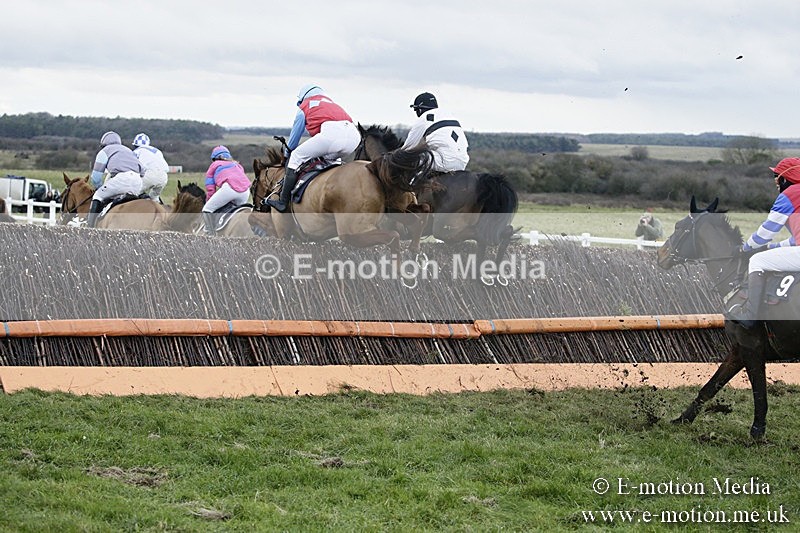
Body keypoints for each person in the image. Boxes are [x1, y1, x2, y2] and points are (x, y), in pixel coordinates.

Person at [727, 157, 800, 328]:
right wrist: (771, 247)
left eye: (776, 176)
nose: (775, 181)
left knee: (757, 261)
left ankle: (750, 316)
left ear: (784, 178)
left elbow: (765, 233)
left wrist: (746, 248)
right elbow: (794, 240)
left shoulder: (788, 195)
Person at [265, 84, 360, 212]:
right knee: (330, 161)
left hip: (333, 135)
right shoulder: (331, 103)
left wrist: (287, 154)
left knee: (296, 156)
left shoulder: (305, 106)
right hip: (354, 137)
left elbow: (294, 139)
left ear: (302, 98)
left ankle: (282, 202)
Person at [401, 92, 469, 173]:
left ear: (419, 109)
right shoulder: (449, 115)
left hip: (445, 162)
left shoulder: (423, 119)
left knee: (409, 159)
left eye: (415, 109)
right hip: (463, 162)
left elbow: (407, 148)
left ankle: (411, 184)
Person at [87, 131, 144, 228]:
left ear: (104, 144)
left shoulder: (104, 151)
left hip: (121, 179)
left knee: (98, 195)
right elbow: (142, 171)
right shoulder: (128, 150)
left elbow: (96, 178)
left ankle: (90, 228)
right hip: (137, 181)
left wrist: (99, 188)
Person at [202, 145, 252, 235]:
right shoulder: (237, 164)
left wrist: (209, 200)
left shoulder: (214, 165)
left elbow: (210, 188)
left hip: (229, 189)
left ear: (214, 158)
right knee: (239, 212)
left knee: (207, 209)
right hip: (245, 192)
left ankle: (210, 235)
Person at [132, 133, 169, 202]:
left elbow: (134, 167)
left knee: (132, 193)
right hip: (163, 177)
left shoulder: (137, 151)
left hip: (149, 175)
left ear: (135, 145)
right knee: (154, 198)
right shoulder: (157, 151)